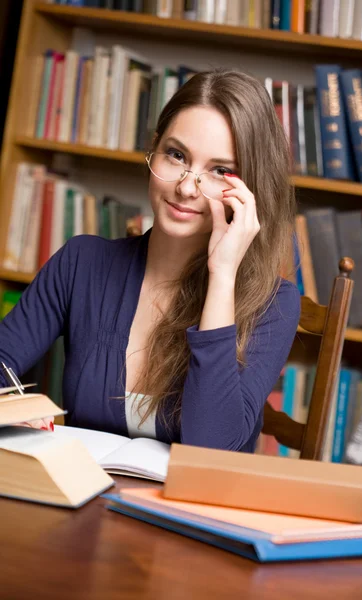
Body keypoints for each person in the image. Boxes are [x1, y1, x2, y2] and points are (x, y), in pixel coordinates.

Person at [0, 69, 300, 452]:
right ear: (154, 150)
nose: (187, 187)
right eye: (177, 155)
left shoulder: (272, 305)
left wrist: (222, 276)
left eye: (220, 171)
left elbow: (212, 449)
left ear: (249, 190)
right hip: (87, 500)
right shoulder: (81, 263)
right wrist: (12, 408)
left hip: (187, 511)